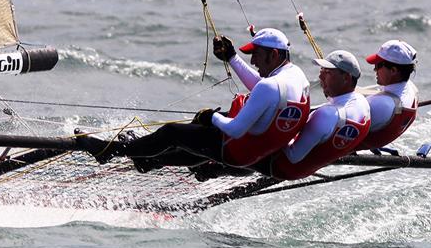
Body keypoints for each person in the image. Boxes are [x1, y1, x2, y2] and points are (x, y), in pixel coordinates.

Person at [77, 28, 311, 172]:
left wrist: (212, 116)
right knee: (199, 138)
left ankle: (110, 151)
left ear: (274, 54)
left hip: (237, 150)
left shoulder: (269, 86)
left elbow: (237, 129)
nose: (253, 62)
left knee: (173, 133)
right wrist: (231, 57)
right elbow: (265, 92)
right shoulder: (296, 77)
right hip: (258, 149)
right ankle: (149, 161)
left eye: (256, 55)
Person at [261, 50, 371, 180]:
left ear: (346, 78)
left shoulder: (326, 115)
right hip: (306, 168)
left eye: (327, 72)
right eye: (321, 71)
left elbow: (293, 155)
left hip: (281, 167)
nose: (320, 77)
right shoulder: (363, 105)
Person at [356, 40, 418, 150]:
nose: (374, 69)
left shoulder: (380, 104)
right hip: (380, 138)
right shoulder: (412, 89)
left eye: (378, 65)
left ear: (394, 70)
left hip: (345, 148)